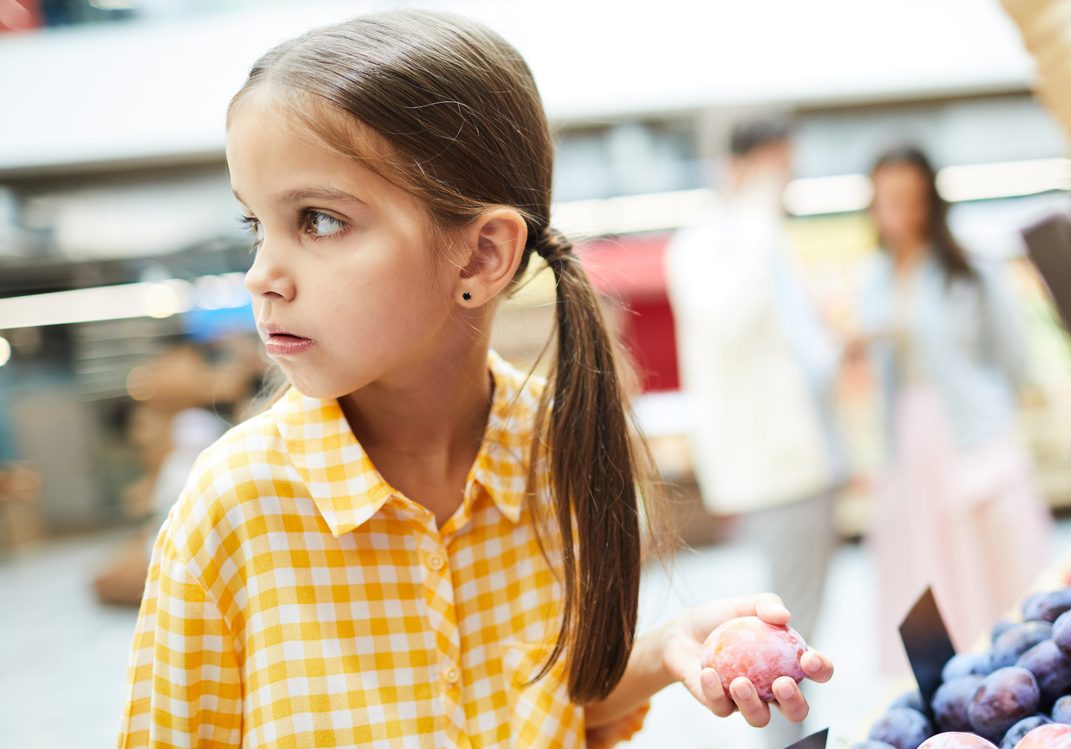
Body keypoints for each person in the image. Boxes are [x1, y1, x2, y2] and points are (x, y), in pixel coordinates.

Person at [117, 11, 833, 748]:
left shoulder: (558, 451)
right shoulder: (231, 508)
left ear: (481, 256)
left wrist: (663, 648)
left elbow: (546, 707)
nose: (260, 274)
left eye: (320, 220)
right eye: (254, 225)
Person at [665, 118, 848, 748]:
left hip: (811, 462)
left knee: (803, 627)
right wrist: (755, 208)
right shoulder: (713, 242)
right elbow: (734, 319)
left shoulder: (759, 239)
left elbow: (800, 354)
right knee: (781, 640)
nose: (786, 184)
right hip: (778, 470)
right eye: (778, 169)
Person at [857, 145, 1052, 672]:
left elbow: (1012, 357)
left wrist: (995, 422)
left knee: (993, 558)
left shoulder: (969, 269)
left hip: (972, 430)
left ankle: (1013, 667)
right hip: (909, 436)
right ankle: (951, 679)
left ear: (929, 200)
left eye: (909, 198)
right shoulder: (873, 276)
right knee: (927, 564)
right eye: (886, 198)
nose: (898, 211)